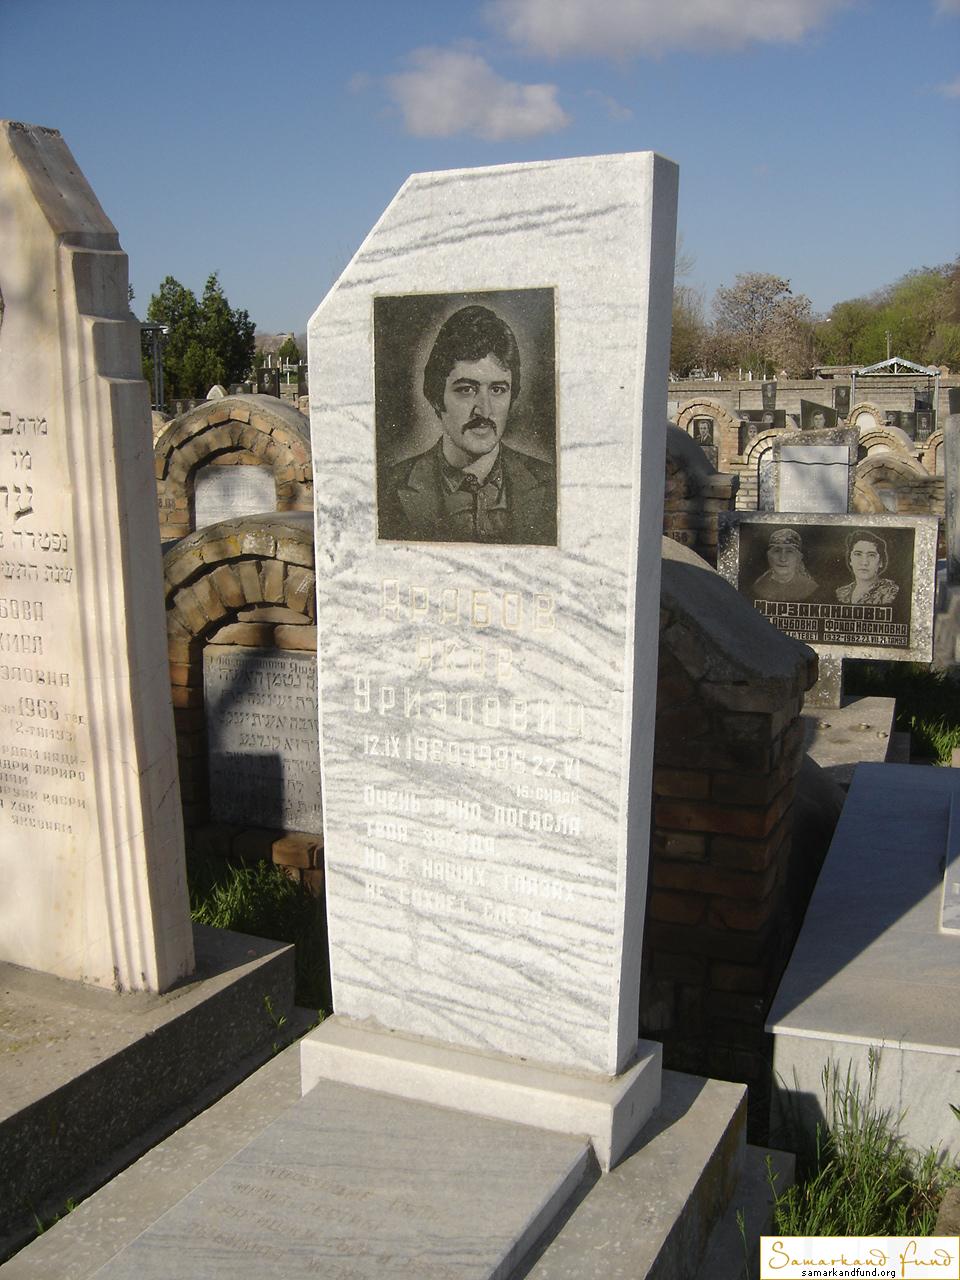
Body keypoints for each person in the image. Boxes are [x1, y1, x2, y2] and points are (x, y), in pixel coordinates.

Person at [378, 305, 556, 544]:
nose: (484, 410)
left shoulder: (553, 483)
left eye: (497, 390)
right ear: (436, 397)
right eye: (466, 390)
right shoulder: (387, 488)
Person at [751, 527, 818, 601]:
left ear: (799, 558)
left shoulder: (809, 587)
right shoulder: (759, 585)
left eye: (789, 551)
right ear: (769, 556)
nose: (783, 559)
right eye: (777, 551)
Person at [835, 530, 898, 604]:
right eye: (858, 554)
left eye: (871, 555)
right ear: (850, 560)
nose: (864, 563)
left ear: (880, 562)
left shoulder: (891, 592)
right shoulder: (841, 593)